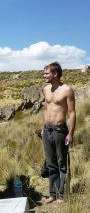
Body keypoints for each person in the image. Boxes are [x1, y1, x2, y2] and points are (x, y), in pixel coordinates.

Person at [42, 62, 76, 204]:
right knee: (51, 164)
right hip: (47, 130)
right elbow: (45, 108)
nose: (44, 76)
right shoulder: (46, 89)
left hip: (60, 130)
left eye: (46, 73)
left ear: (55, 74)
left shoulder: (67, 90)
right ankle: (53, 193)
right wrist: (43, 128)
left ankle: (62, 195)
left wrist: (71, 133)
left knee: (62, 163)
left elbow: (72, 113)